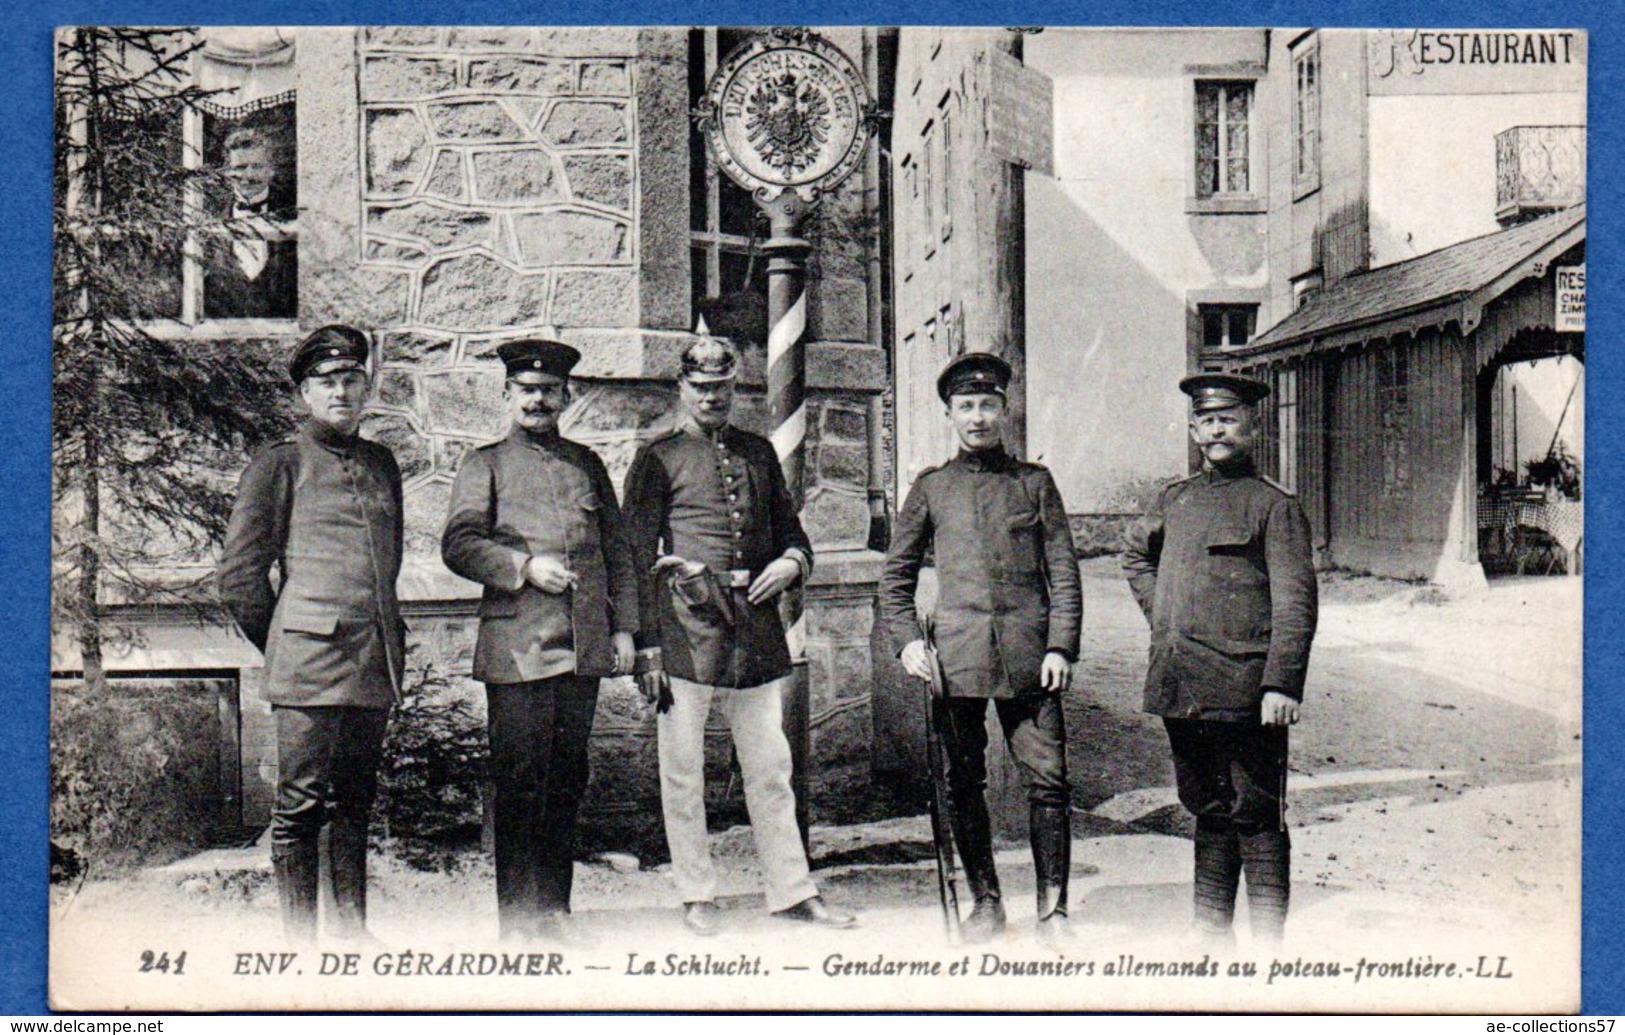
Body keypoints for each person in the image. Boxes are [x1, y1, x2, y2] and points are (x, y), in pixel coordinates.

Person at [623, 338, 856, 936]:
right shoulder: (658, 459)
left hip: (753, 631)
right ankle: (697, 893)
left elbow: (792, 533)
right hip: (685, 632)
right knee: (682, 770)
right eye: (701, 388)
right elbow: (631, 558)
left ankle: (792, 890)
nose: (712, 398)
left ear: (735, 387)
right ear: (682, 388)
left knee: (770, 767)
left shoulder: (757, 453)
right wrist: (646, 645)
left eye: (722, 388)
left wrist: (793, 564)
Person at [879, 352, 1083, 947]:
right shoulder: (931, 489)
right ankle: (987, 902)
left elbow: (1064, 573)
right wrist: (908, 643)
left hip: (1030, 658)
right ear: (950, 414)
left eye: (987, 405)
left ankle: (1053, 912)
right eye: (965, 407)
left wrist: (1061, 647)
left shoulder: (1034, 483)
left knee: (1049, 781)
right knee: (961, 782)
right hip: (957, 661)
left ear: (1004, 409)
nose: (978, 417)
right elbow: (896, 577)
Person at [441, 339, 639, 945]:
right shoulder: (486, 464)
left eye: (548, 391)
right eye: (526, 390)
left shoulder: (587, 463)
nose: (537, 400)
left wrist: (626, 629)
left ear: (565, 397)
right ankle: (518, 919)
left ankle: (555, 910)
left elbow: (619, 554)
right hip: (518, 652)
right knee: (522, 781)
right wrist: (523, 568)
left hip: (580, 649)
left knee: (566, 777)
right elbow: (459, 544)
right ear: (507, 395)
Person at [218, 325, 403, 945]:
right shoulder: (280, 463)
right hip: (307, 664)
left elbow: (388, 565)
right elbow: (241, 577)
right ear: (305, 392)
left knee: (355, 802)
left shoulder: (381, 463)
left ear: (368, 386)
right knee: (299, 808)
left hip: (371, 661)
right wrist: (287, 644)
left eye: (352, 379)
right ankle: (299, 945)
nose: (342, 391)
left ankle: (351, 932)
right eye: (327, 382)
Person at [1120, 373, 1319, 945]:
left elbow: (1296, 602)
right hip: (1182, 684)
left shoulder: (1273, 506)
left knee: (1255, 812)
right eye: (1206, 420)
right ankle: (1210, 934)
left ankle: (1269, 948)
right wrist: (1163, 616)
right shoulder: (1175, 499)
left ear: (1253, 426)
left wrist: (1281, 683)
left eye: (1228, 418)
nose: (1216, 428)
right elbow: (1135, 555)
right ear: (1192, 429)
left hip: (1245, 688)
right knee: (1205, 806)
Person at [205, 125, 297, 319]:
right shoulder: (209, 220)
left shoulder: (294, 216)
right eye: (239, 168)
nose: (248, 176)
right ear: (227, 173)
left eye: (257, 166)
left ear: (271, 170)